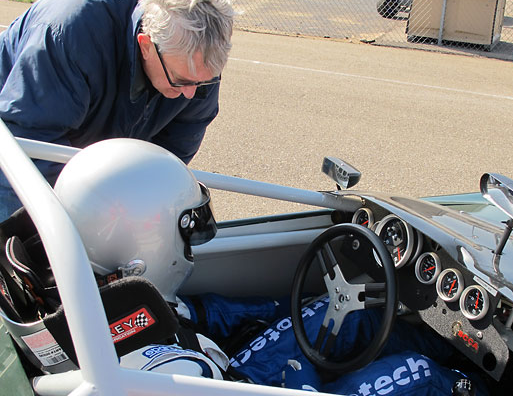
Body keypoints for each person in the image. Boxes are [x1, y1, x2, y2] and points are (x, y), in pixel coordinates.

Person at [6, 139, 485, 395]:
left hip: (225, 369)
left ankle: (459, 347)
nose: (190, 247)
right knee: (416, 374)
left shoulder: (85, 293)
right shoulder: (165, 370)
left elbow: (188, 318)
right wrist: (301, 375)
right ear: (140, 250)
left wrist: (272, 309)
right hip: (238, 385)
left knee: (338, 311)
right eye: (185, 233)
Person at [0, 0, 234, 222]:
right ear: (146, 45)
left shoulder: (196, 69)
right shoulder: (71, 32)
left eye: (203, 82)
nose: (190, 94)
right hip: (18, 141)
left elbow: (168, 156)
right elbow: (31, 145)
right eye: (180, 80)